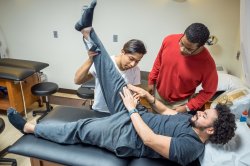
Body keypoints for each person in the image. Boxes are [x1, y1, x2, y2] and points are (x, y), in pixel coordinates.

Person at [8, 1, 236, 165]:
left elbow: (149, 139)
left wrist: (131, 110)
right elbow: (167, 112)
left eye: (204, 116)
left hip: (128, 136)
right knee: (112, 74)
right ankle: (87, 31)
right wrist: (147, 97)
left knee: (81, 128)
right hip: (136, 115)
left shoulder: (191, 148)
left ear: (211, 129)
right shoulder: (192, 122)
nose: (199, 113)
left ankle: (29, 127)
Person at [148, 23, 218, 113]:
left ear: (201, 46)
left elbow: (209, 91)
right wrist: (151, 80)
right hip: (158, 94)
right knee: (154, 121)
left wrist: (188, 107)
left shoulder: (208, 64)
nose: (182, 49)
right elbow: (158, 61)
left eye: (189, 49)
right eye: (181, 43)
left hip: (179, 104)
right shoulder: (169, 40)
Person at [74, 38, 146, 113]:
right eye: (131, 59)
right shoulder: (105, 63)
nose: (133, 64)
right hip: (101, 111)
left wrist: (137, 97)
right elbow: (77, 80)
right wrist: (90, 59)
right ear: (122, 52)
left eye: (137, 61)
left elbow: (136, 92)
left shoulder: (135, 70)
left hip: (122, 112)